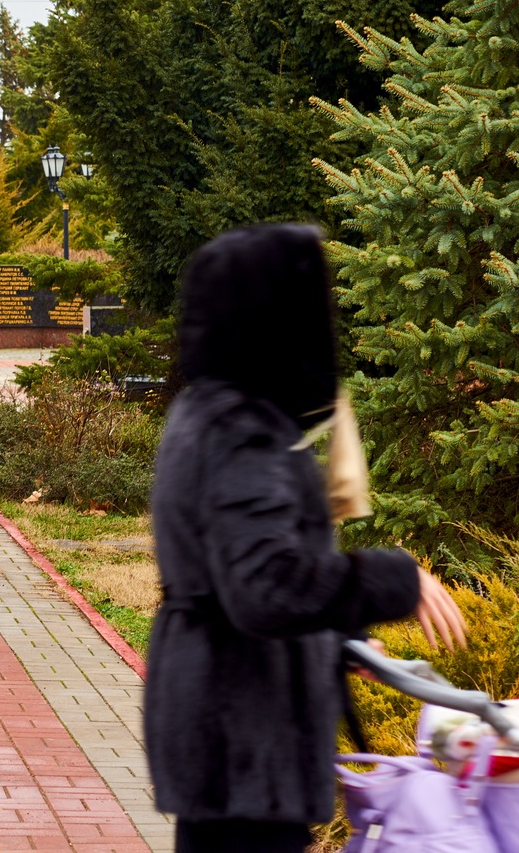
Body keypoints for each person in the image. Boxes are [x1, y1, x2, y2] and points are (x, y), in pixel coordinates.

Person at [144, 224, 468, 853]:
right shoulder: (244, 429)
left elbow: (234, 571)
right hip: (244, 735)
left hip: (222, 727)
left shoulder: (207, 409)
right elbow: (265, 586)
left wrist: (337, 643)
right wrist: (394, 578)